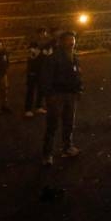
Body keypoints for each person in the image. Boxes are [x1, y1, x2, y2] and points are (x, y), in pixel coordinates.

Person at [40, 31, 83, 165]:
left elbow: (77, 75)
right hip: (57, 95)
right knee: (52, 124)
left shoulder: (74, 57)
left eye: (73, 40)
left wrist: (79, 89)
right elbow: (46, 78)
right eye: (69, 40)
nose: (72, 43)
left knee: (69, 122)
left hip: (70, 94)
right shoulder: (53, 58)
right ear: (61, 42)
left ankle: (67, 147)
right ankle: (47, 154)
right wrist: (49, 95)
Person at [24, 28, 52, 117]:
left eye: (44, 34)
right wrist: (40, 49)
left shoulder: (48, 45)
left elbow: (49, 56)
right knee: (31, 90)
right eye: (41, 34)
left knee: (41, 89)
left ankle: (38, 106)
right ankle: (28, 109)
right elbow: (32, 56)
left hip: (42, 71)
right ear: (38, 35)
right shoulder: (33, 45)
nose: (43, 36)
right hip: (33, 71)